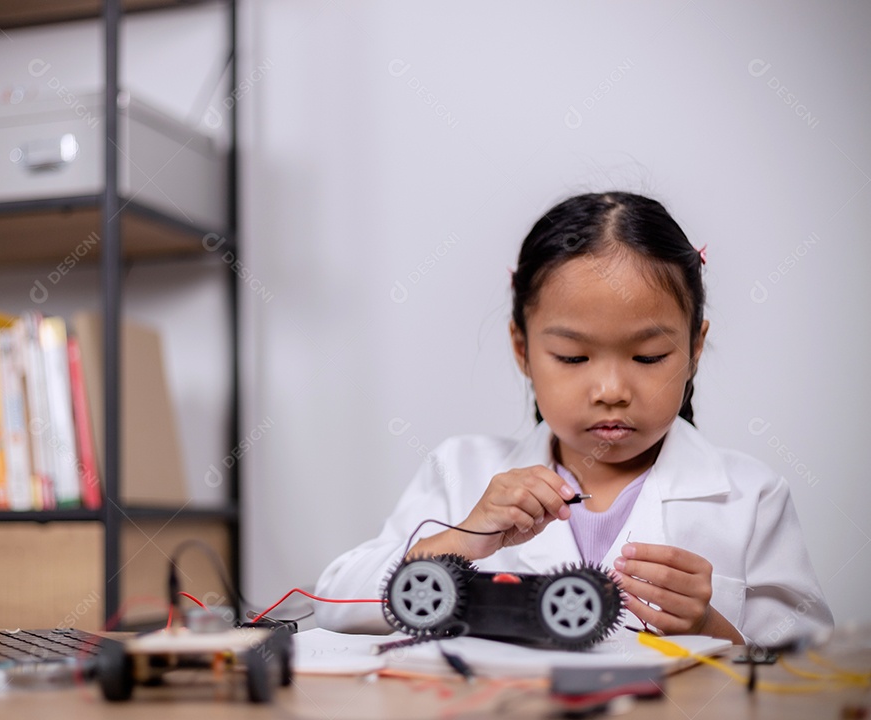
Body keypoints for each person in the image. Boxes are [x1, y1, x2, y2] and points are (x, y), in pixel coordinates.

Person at [314, 191, 832, 646]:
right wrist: (460, 541)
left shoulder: (752, 497)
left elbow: (812, 670)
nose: (611, 391)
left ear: (695, 348)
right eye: (573, 358)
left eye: (648, 357)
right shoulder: (459, 470)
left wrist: (712, 628)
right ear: (522, 349)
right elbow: (335, 602)